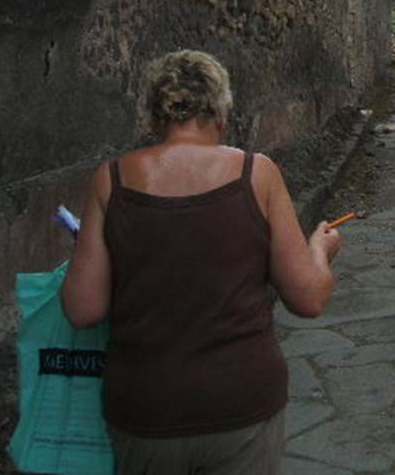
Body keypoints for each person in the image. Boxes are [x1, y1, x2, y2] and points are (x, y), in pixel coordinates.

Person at [61, 49, 341, 474]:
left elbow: (83, 309)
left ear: (153, 116)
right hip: (242, 403)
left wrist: (97, 248)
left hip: (146, 410)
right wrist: (319, 250)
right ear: (222, 112)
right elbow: (308, 298)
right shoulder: (257, 174)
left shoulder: (111, 180)